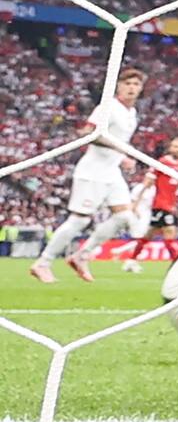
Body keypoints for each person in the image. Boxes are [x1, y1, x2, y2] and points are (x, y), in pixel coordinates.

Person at [30, 68, 146, 283]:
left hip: (112, 171)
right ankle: (43, 262)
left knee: (124, 216)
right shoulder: (108, 107)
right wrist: (121, 150)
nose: (131, 88)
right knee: (79, 221)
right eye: (127, 83)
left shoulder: (131, 113)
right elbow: (87, 134)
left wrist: (122, 157)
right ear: (118, 86)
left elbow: (117, 142)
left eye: (136, 84)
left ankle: (82, 255)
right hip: (93, 171)